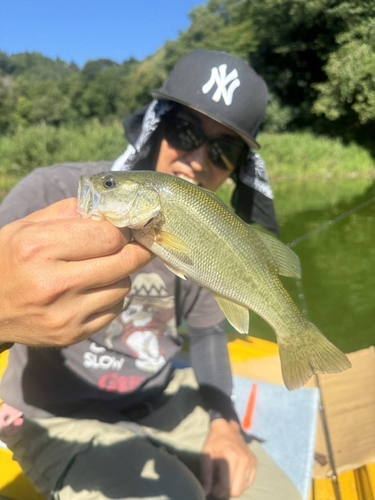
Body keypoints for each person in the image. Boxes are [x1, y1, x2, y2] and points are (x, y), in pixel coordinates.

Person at [0, 50, 300, 500]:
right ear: (157, 127)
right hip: (55, 413)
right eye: (186, 132)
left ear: (237, 169)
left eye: (224, 150)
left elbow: (206, 335)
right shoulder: (48, 192)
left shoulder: (209, 234)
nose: (198, 160)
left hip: (161, 398)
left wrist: (224, 422)